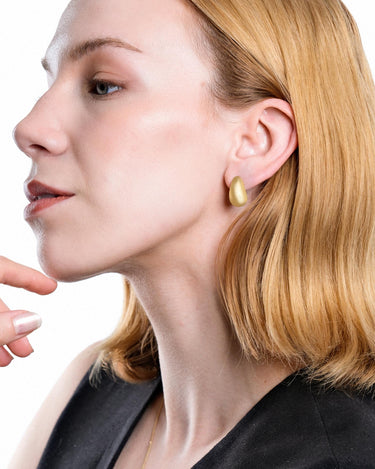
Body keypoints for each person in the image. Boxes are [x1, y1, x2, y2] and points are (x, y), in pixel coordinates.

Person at [3, 0, 375, 467]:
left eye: (103, 86)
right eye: (50, 81)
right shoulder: (92, 389)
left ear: (256, 141)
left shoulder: (344, 453)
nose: (29, 129)